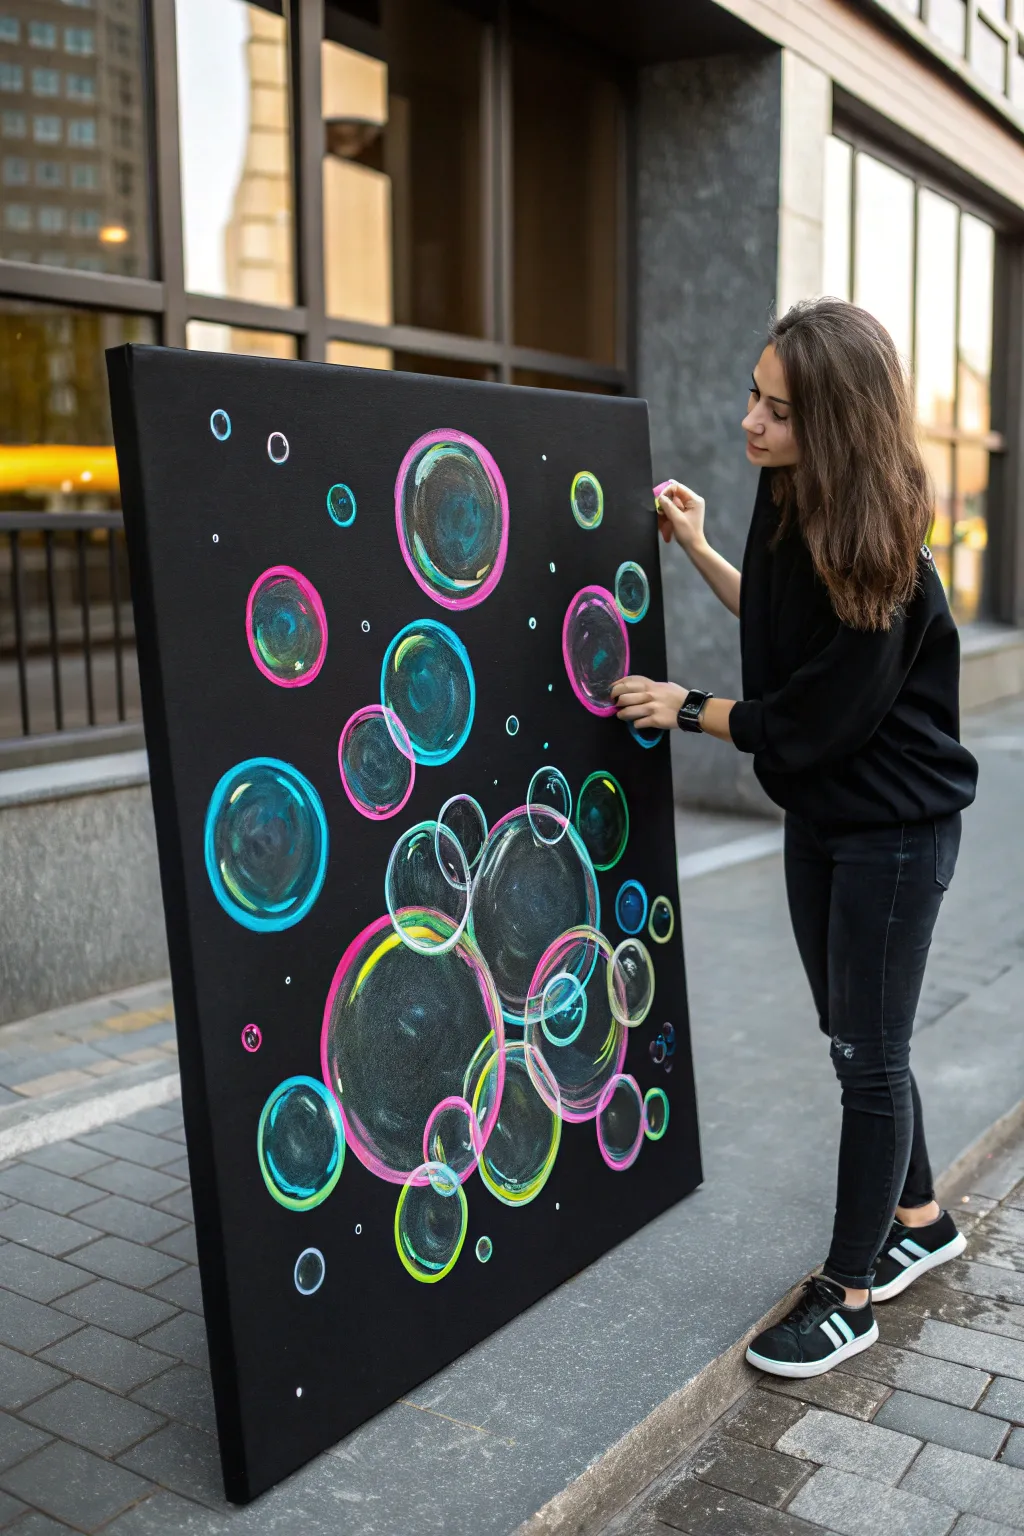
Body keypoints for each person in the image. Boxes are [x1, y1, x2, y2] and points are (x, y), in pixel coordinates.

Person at [611, 298, 979, 1379]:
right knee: (852, 1032)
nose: (750, 423)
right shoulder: (788, 499)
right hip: (826, 815)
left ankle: (851, 1291)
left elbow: (814, 716)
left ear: (839, 422)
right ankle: (920, 1216)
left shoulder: (883, 548)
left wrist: (684, 708)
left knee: (868, 1058)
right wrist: (696, 547)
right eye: (752, 395)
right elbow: (783, 646)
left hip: (896, 829)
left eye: (778, 410)